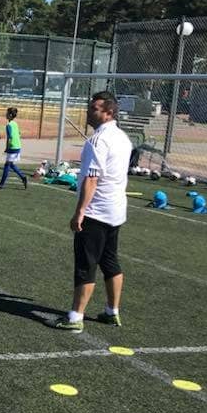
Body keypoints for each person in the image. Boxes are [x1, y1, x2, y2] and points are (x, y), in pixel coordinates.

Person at [52, 91, 133, 332]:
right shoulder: (123, 138)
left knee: (86, 265)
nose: (89, 112)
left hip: (97, 211)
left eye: (94, 109)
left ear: (109, 112)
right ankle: (112, 312)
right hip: (115, 210)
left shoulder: (98, 141)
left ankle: (75, 317)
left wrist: (80, 211)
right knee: (110, 261)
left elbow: (91, 178)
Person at [0, 107, 28, 189]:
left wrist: (7, 148)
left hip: (12, 147)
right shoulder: (15, 123)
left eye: (7, 113)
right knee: (11, 164)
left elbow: (9, 138)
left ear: (10, 115)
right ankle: (23, 177)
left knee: (6, 165)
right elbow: (19, 134)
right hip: (18, 146)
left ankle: (1, 184)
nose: (5, 114)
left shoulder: (8, 125)